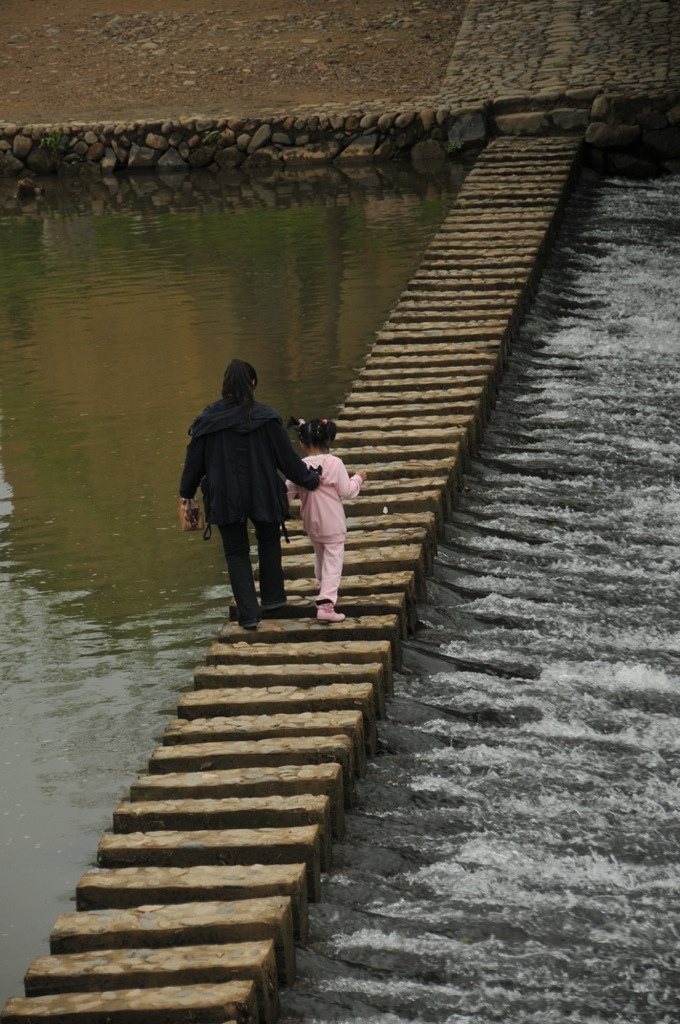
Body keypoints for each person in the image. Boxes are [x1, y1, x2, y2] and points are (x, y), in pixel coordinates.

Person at [179, 359, 321, 630]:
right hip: (263, 491)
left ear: (224, 387)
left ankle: (248, 616)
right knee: (268, 539)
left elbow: (193, 463)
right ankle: (273, 600)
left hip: (224, 496)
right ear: (252, 383)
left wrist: (186, 493)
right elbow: (287, 460)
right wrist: (310, 480)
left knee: (236, 552)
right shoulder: (266, 418)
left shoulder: (207, 422)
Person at [286, 416, 367, 623]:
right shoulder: (334, 463)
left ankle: (321, 585)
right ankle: (326, 604)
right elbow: (346, 491)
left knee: (320, 554)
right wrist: (357, 479)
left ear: (302, 444)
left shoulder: (299, 466)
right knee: (333, 561)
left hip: (312, 523)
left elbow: (287, 491)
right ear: (328, 441)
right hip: (332, 522)